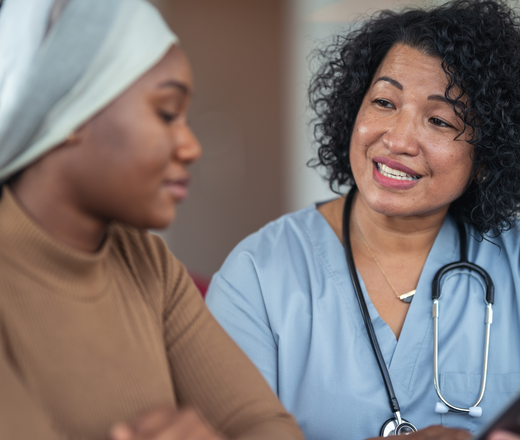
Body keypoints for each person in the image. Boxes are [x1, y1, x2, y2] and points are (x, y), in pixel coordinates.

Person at [206, 0, 520, 439]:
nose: (397, 139)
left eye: (438, 119)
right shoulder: (258, 275)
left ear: (487, 156)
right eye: (384, 102)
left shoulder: (513, 262)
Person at [0, 1, 305, 439]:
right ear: (70, 110)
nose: (191, 147)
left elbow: (269, 427)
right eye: (166, 113)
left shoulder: (149, 264)